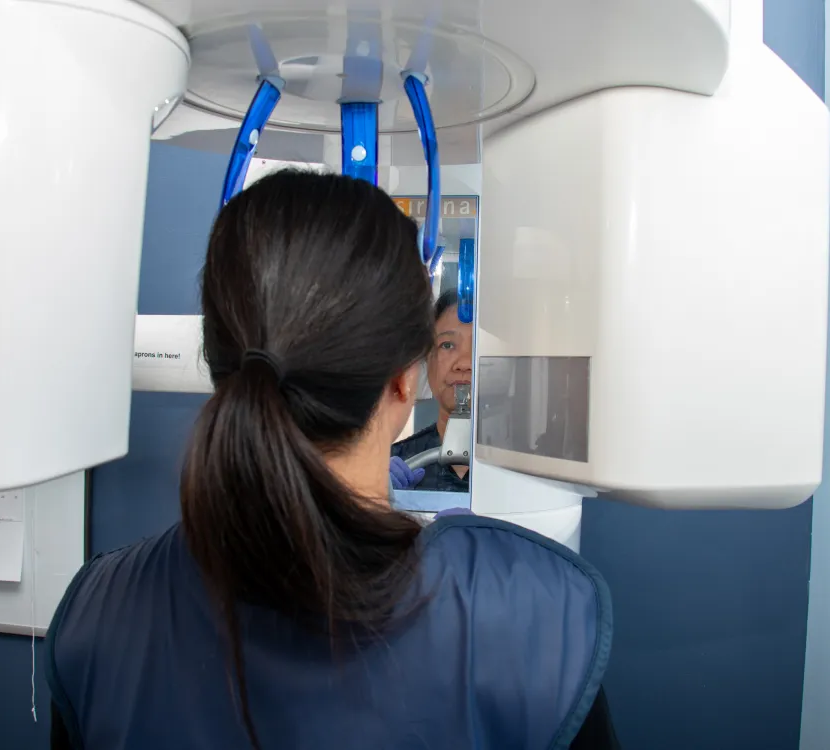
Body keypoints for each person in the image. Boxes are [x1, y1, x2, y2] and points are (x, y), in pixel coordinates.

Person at [45, 170, 619, 750]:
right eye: (446, 345)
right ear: (405, 380)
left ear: (219, 366)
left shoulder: (98, 613)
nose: (462, 363)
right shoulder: (533, 619)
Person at [390, 289, 471, 492]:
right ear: (427, 358)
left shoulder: (527, 468)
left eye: (479, 345)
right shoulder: (397, 461)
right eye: (448, 345)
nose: (463, 364)